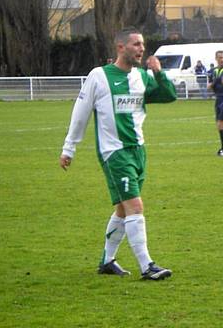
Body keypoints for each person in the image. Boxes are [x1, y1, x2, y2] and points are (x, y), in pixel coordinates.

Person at [59, 27, 177, 281]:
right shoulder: (99, 76)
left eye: (142, 44)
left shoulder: (142, 77)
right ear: (120, 47)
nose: (141, 49)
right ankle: (147, 266)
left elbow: (169, 96)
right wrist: (69, 147)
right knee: (135, 206)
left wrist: (158, 72)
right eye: (136, 44)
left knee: (123, 210)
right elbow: (80, 113)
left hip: (138, 151)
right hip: (114, 153)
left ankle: (106, 261)